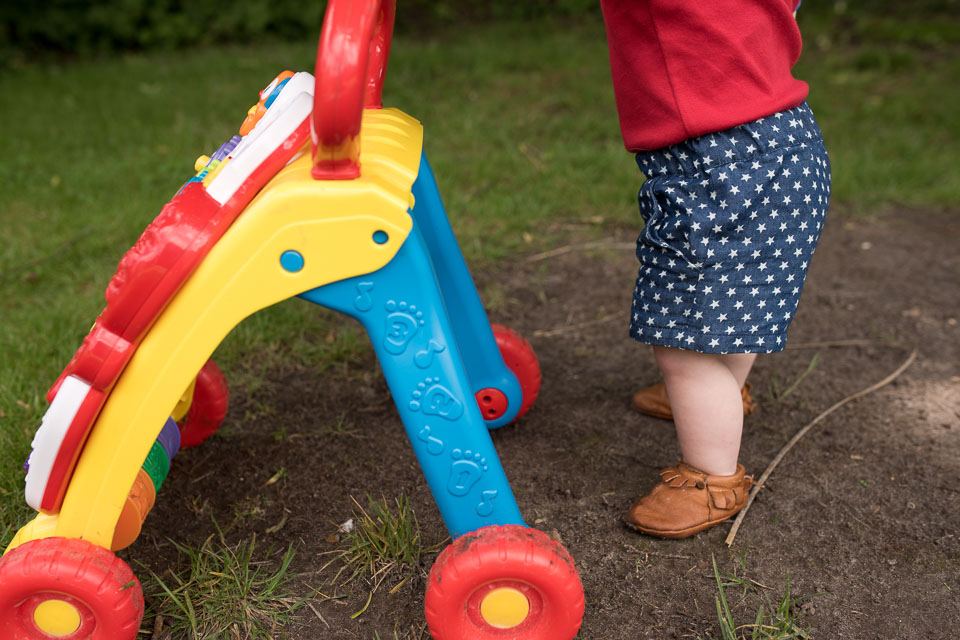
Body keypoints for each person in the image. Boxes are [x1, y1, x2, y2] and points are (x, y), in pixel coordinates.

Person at [599, 0, 831, 538]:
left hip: (723, 163)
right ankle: (719, 394)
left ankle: (712, 477)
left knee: (684, 338)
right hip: (779, 145)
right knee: (731, 302)